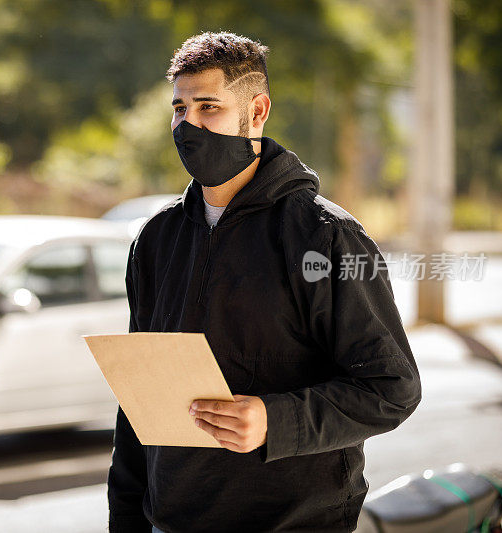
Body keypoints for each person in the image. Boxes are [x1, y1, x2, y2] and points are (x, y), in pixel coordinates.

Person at [107, 31, 422, 533]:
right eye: (179, 108)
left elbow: (392, 389)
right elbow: (137, 404)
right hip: (172, 521)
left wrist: (277, 421)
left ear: (257, 112)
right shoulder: (156, 240)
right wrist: (126, 521)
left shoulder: (324, 236)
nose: (188, 125)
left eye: (208, 106)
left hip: (295, 522)